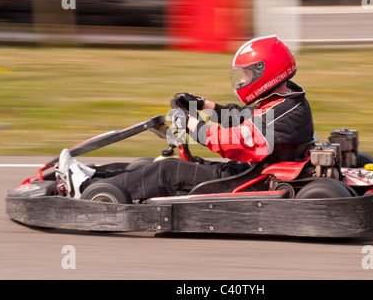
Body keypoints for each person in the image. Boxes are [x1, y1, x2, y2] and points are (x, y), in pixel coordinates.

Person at [55, 35, 314, 200]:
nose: (243, 80)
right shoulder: (286, 99)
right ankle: (97, 179)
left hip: (254, 183)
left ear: (264, 73)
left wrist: (190, 124)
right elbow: (241, 119)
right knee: (170, 164)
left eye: (246, 75)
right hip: (255, 171)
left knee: (167, 171)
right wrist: (202, 104)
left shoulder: (286, 114)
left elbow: (231, 142)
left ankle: (87, 189)